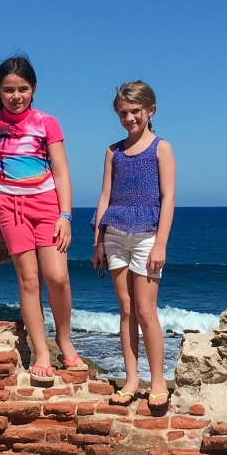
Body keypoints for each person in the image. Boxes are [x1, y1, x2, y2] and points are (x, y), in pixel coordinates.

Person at [0, 56, 85, 379]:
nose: (16, 96)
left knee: (58, 277)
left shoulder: (47, 122)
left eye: (22, 88)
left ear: (33, 89)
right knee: (29, 280)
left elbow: (62, 172)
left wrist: (65, 215)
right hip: (11, 209)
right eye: (9, 89)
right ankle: (42, 352)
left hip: (48, 206)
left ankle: (65, 341)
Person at [91, 81, 176, 409]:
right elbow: (104, 196)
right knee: (125, 310)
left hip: (147, 236)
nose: (129, 118)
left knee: (145, 310)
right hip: (114, 235)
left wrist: (161, 245)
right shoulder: (113, 152)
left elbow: (168, 198)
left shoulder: (161, 148)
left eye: (135, 111)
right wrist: (97, 241)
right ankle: (130, 380)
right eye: (123, 112)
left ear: (150, 111)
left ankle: (157, 382)